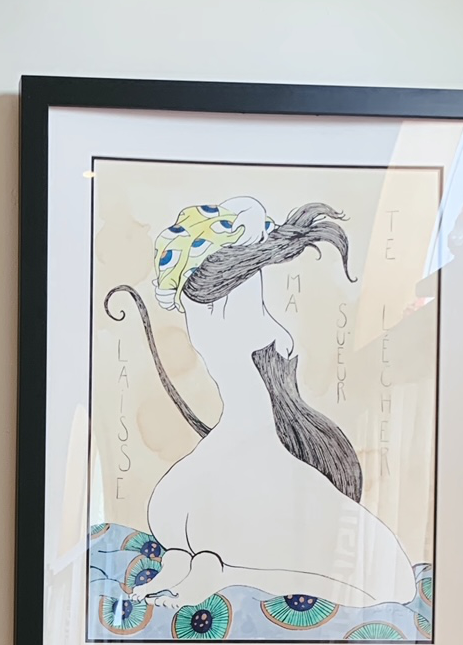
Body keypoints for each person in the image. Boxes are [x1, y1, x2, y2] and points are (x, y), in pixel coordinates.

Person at [105, 199, 417, 612]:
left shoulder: (212, 314)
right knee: (393, 579)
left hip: (197, 491)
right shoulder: (246, 319)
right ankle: (218, 571)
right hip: (242, 468)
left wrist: (252, 230)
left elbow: (245, 221)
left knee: (189, 526)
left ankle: (197, 566)